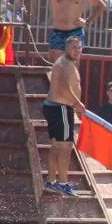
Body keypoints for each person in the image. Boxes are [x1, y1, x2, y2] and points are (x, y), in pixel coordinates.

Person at [42, 35, 86, 197]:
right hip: (61, 108)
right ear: (66, 48)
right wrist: (77, 104)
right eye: (73, 47)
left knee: (56, 146)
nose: (76, 50)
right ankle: (62, 183)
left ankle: (52, 181)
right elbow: (63, 88)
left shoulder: (65, 63)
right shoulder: (64, 64)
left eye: (79, 47)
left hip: (54, 107)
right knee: (65, 148)